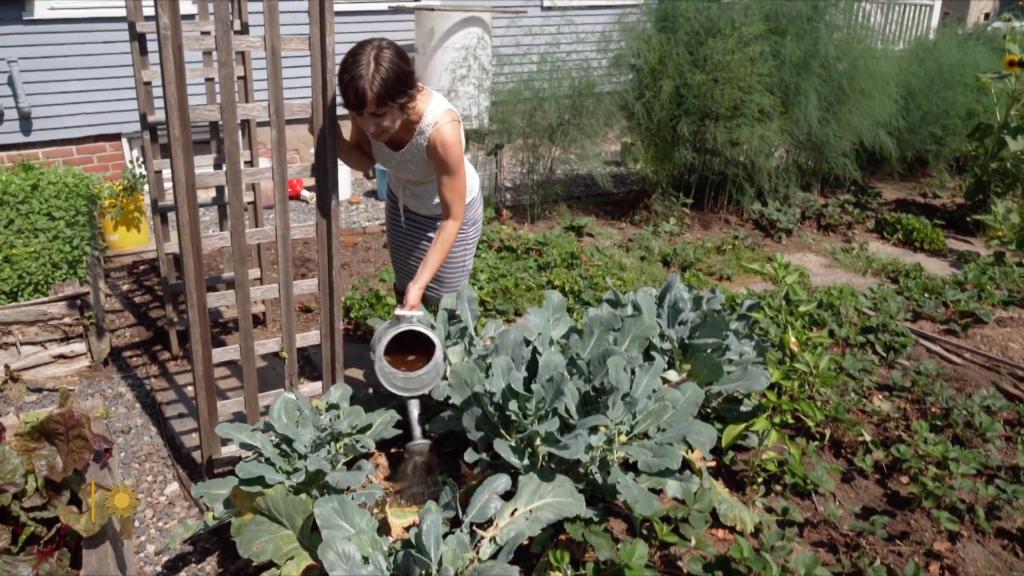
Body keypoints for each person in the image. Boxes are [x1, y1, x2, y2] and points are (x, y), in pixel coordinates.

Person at [329, 37, 483, 312]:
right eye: (359, 114)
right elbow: (365, 160)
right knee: (405, 287)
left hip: (447, 214)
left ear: (405, 98)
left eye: (378, 115)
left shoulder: (440, 131)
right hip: (403, 203)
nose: (369, 127)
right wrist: (333, 140)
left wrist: (420, 284)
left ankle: (453, 354)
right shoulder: (366, 103)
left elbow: (453, 217)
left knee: (446, 303)